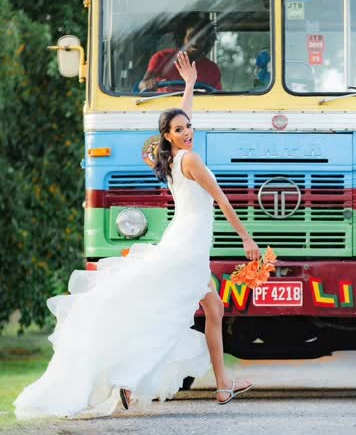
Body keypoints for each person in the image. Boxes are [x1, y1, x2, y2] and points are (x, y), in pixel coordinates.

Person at [14, 52, 260, 420]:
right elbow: (222, 199)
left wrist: (190, 86)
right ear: (168, 136)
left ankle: (223, 383)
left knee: (212, 309)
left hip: (185, 242)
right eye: (179, 130)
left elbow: (183, 116)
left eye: (188, 127)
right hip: (188, 248)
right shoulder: (191, 160)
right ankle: (134, 375)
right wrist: (247, 239)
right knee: (171, 316)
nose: (188, 131)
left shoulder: (176, 158)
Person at [139, 17, 222, 93]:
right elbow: (143, 84)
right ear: (182, 37)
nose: (195, 42)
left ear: (207, 41)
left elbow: (219, 98)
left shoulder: (212, 69)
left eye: (201, 38)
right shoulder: (161, 58)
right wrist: (148, 84)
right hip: (165, 108)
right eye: (191, 37)